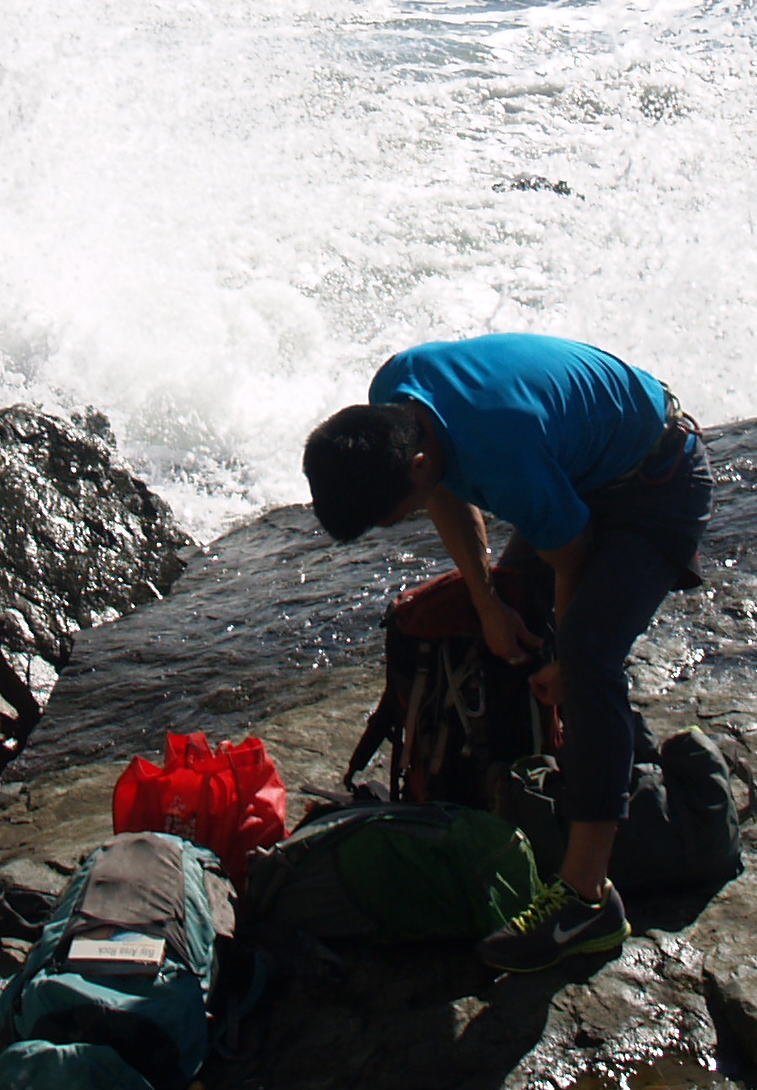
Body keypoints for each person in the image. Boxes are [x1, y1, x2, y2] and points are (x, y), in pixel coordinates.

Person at [301, 332, 709, 970]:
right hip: (577, 468)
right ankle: (587, 784)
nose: (396, 524)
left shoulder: (501, 450)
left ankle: (587, 900)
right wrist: (489, 606)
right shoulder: (398, 395)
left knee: (586, 657)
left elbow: (571, 553)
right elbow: (443, 490)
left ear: (411, 464)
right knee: (517, 622)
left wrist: (568, 664)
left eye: (391, 517)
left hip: (658, 478)